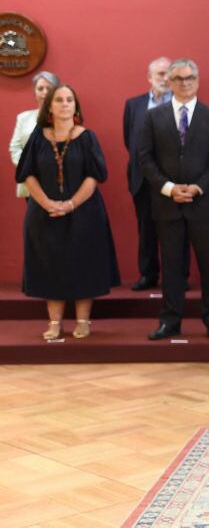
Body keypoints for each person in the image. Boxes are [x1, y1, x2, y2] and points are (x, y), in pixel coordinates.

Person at [16, 84, 120, 340]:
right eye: (59, 100)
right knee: (50, 265)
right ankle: (55, 323)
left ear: (76, 106)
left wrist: (70, 204)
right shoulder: (38, 136)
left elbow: (94, 177)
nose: (64, 104)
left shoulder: (87, 137)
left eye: (69, 100)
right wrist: (47, 203)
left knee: (82, 263)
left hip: (84, 213)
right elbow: (26, 174)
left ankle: (83, 321)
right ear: (49, 106)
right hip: (44, 214)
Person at [138, 58, 209, 341]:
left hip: (203, 204)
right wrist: (168, 188)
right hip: (167, 204)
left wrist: (197, 187)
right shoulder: (154, 117)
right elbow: (145, 157)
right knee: (172, 267)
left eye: (190, 78)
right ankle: (170, 322)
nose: (185, 83)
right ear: (170, 83)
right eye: (178, 79)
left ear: (197, 81)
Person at [123, 57, 179, 291]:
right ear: (149, 78)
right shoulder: (134, 105)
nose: (165, 79)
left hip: (174, 178)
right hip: (143, 178)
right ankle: (148, 275)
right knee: (146, 229)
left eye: (169, 74)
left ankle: (177, 277)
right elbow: (130, 140)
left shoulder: (181, 103)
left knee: (175, 230)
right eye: (160, 74)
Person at [9, 71, 59, 198]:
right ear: (34, 93)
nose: (44, 92)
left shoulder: (67, 118)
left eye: (49, 88)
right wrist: (30, 167)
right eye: (40, 88)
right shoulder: (23, 118)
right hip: (31, 183)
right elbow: (15, 148)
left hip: (59, 183)